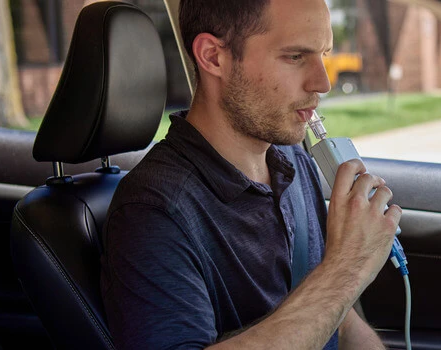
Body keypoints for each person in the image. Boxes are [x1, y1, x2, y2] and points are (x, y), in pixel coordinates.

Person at [99, 0, 402, 349]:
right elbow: (332, 291)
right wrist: (345, 270)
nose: (322, 82)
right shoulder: (153, 212)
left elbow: (338, 318)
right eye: (295, 57)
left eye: (323, 54)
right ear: (214, 57)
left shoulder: (292, 161)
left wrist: (340, 279)